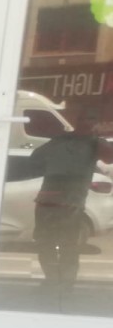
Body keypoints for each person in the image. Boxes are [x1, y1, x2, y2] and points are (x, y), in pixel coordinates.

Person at [30, 111, 113, 295]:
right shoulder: (60, 140)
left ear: (96, 123)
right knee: (45, 243)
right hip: (48, 200)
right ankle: (53, 280)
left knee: (68, 245)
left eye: (91, 119)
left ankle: (65, 284)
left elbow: (110, 157)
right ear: (77, 120)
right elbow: (35, 158)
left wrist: (96, 137)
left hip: (71, 203)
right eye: (83, 118)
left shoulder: (95, 143)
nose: (86, 123)